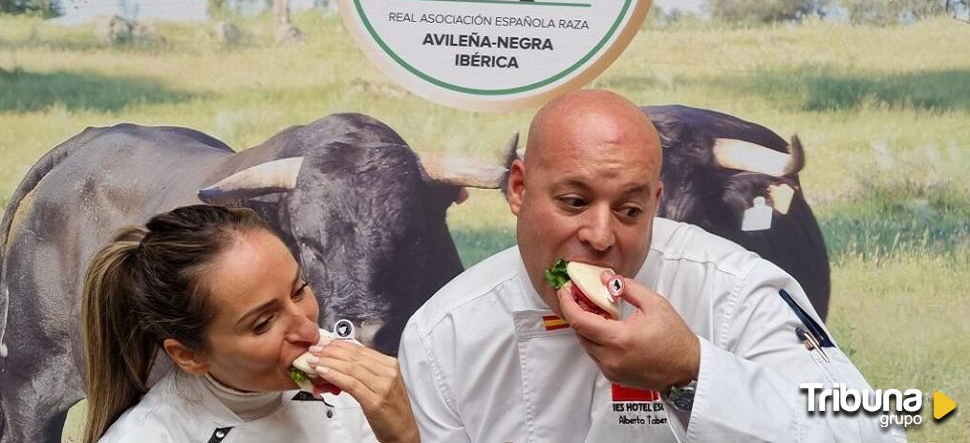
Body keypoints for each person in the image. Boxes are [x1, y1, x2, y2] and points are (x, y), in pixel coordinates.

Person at [397, 89, 903, 442]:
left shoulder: (735, 289)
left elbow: (873, 433)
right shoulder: (443, 336)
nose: (600, 237)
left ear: (657, 201)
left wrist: (691, 371)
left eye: (630, 210)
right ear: (519, 189)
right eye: (573, 202)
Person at [82, 204, 419, 443]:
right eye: (262, 323)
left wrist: (403, 435)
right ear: (189, 355)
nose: (310, 331)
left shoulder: (353, 388)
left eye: (299, 290)